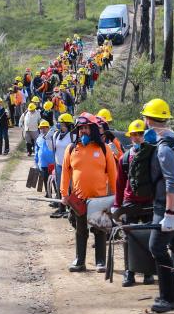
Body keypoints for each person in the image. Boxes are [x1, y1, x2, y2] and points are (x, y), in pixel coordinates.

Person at [139, 100, 174, 312]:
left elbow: (172, 181)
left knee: (157, 247)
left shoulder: (164, 149)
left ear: (149, 120)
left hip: (167, 207)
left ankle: (168, 297)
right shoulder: (172, 141)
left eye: (144, 118)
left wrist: (169, 213)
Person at [61, 114, 118, 273]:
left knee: (99, 230)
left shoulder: (103, 148)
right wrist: (64, 194)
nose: (83, 131)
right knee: (80, 230)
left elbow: (113, 174)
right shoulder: (71, 149)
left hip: (100, 199)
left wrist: (115, 197)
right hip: (78, 198)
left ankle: (100, 262)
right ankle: (80, 261)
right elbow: (65, 173)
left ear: (92, 129)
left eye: (86, 128)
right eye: (80, 129)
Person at [112, 119, 155, 287]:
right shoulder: (124, 158)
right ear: (130, 137)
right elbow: (119, 183)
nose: (136, 138)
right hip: (129, 203)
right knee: (129, 239)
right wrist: (117, 205)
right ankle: (129, 272)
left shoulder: (153, 155)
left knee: (148, 238)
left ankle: (148, 272)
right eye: (133, 135)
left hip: (149, 202)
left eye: (140, 134)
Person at [49, 113, 75, 218]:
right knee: (61, 187)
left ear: (68, 125)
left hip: (70, 166)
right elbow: (52, 149)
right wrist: (48, 138)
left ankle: (71, 209)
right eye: (60, 124)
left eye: (62, 124)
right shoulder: (56, 135)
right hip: (59, 165)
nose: (60, 126)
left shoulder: (72, 136)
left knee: (71, 187)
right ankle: (62, 208)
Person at [35, 120, 55, 197]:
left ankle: (57, 193)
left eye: (45, 128)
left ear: (48, 128)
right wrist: (36, 162)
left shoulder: (53, 137)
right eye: (41, 128)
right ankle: (48, 193)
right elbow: (36, 151)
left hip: (52, 162)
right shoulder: (38, 139)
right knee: (45, 179)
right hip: (43, 163)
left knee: (54, 180)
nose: (43, 129)